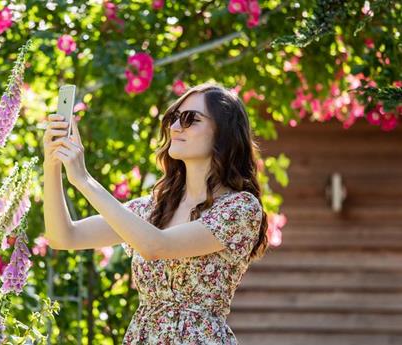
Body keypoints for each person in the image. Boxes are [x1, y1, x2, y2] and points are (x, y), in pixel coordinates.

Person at [42, 81, 268, 344]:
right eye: (173, 117)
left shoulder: (239, 208)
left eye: (189, 119)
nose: (174, 127)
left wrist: (83, 179)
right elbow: (64, 237)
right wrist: (52, 164)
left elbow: (155, 246)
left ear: (223, 133)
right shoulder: (154, 207)